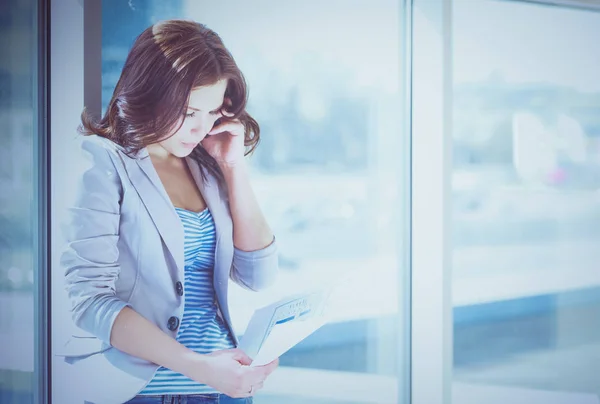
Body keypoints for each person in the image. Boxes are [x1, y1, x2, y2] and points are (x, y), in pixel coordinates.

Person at [58, 19, 280, 404]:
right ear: (150, 92)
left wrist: (233, 167)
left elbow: (258, 275)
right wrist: (197, 365)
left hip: (220, 389)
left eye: (212, 113)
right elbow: (90, 300)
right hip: (143, 391)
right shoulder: (102, 161)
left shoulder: (205, 166)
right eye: (188, 111)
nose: (200, 128)